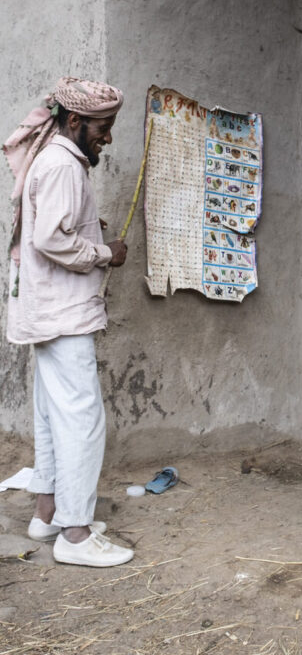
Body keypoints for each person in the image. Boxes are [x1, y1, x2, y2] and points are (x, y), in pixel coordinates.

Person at [3, 77, 134, 567]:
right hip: (63, 315)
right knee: (81, 421)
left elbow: (54, 231)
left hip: (49, 312)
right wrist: (105, 253)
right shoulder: (62, 165)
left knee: (52, 415)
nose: (108, 137)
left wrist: (88, 231)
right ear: (75, 121)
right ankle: (76, 536)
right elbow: (50, 241)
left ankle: (47, 513)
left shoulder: (58, 160)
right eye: (103, 126)